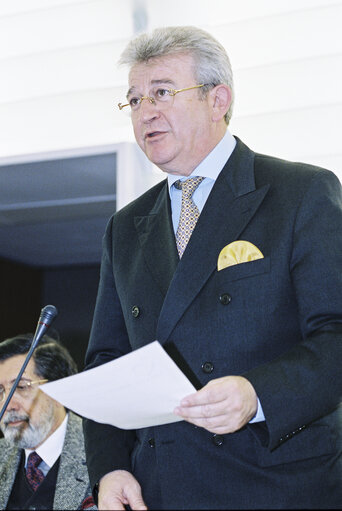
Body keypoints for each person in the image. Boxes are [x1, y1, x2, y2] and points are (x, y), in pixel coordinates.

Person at [83, 25, 342, 510]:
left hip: (273, 485)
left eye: (162, 92)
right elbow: (106, 363)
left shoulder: (300, 192)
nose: (145, 112)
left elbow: (337, 333)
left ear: (217, 98)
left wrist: (257, 393)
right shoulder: (125, 226)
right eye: (134, 100)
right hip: (159, 490)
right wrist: (110, 467)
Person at [0, 333, 96, 510]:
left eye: (21, 387)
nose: (7, 405)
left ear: (59, 390)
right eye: (0, 392)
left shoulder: (102, 451)